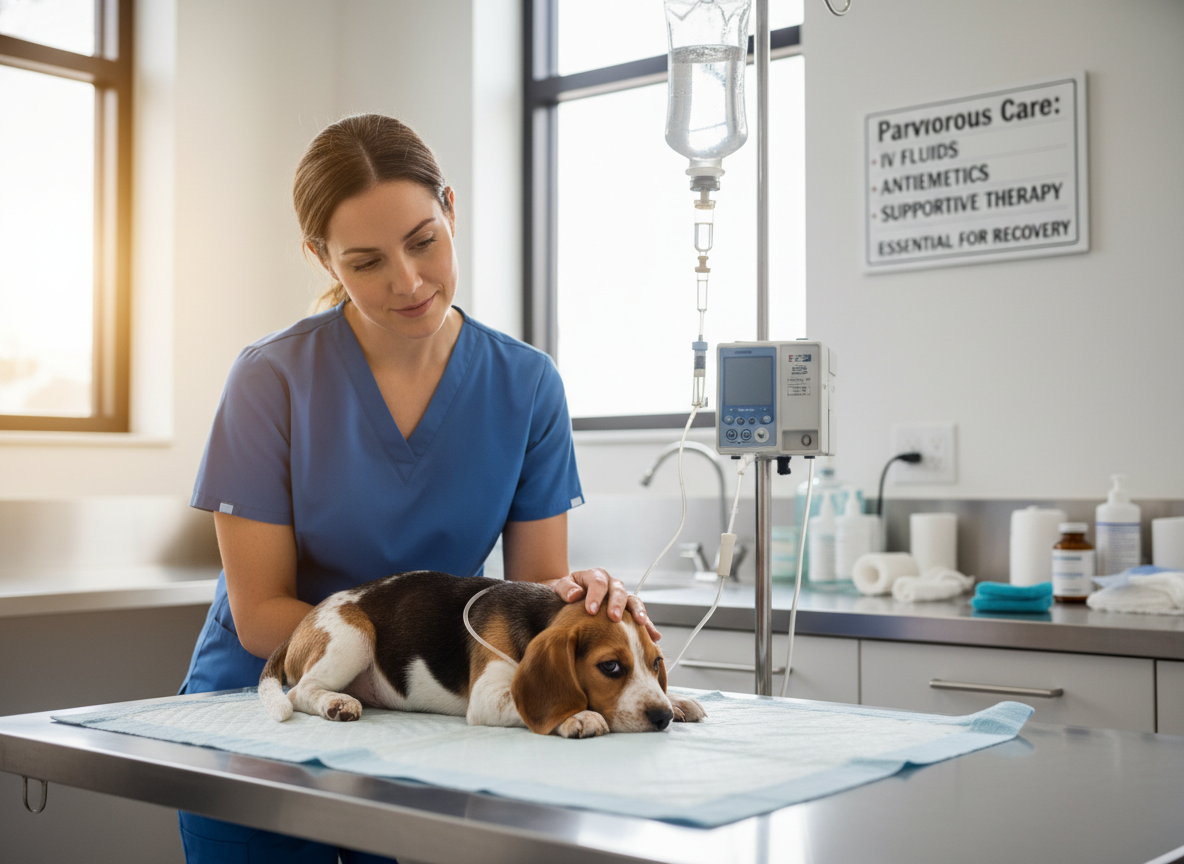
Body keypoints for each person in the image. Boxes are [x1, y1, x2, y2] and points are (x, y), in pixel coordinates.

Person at [176, 113, 657, 864]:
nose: (407, 282)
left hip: (423, 732)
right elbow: (261, 613)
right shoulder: (270, 379)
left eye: (424, 241)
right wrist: (396, 666)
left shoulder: (525, 384)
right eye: (365, 262)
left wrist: (573, 605)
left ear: (451, 212)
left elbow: (527, 602)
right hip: (266, 713)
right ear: (322, 258)